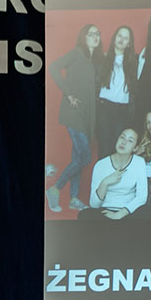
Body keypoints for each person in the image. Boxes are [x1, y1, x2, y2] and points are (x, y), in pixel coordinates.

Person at [46, 24, 103, 213]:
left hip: (87, 117)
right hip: (74, 113)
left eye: (97, 34)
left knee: (78, 156)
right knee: (85, 156)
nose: (95, 37)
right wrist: (68, 93)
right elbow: (53, 67)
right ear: (83, 37)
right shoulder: (77, 53)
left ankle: (74, 199)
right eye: (91, 34)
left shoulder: (95, 61)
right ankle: (55, 189)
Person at [78, 128, 151, 221]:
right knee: (85, 214)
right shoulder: (101, 165)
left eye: (130, 140)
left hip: (128, 212)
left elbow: (141, 197)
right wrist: (105, 183)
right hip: (106, 212)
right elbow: (94, 204)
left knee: (150, 211)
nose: (123, 142)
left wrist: (119, 214)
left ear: (135, 148)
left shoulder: (139, 162)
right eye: (122, 137)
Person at [96, 25, 138, 158]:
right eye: (119, 35)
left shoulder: (134, 61)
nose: (121, 39)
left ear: (129, 44)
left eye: (126, 38)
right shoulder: (102, 58)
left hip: (122, 109)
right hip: (104, 107)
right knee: (104, 146)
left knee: (118, 148)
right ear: (114, 38)